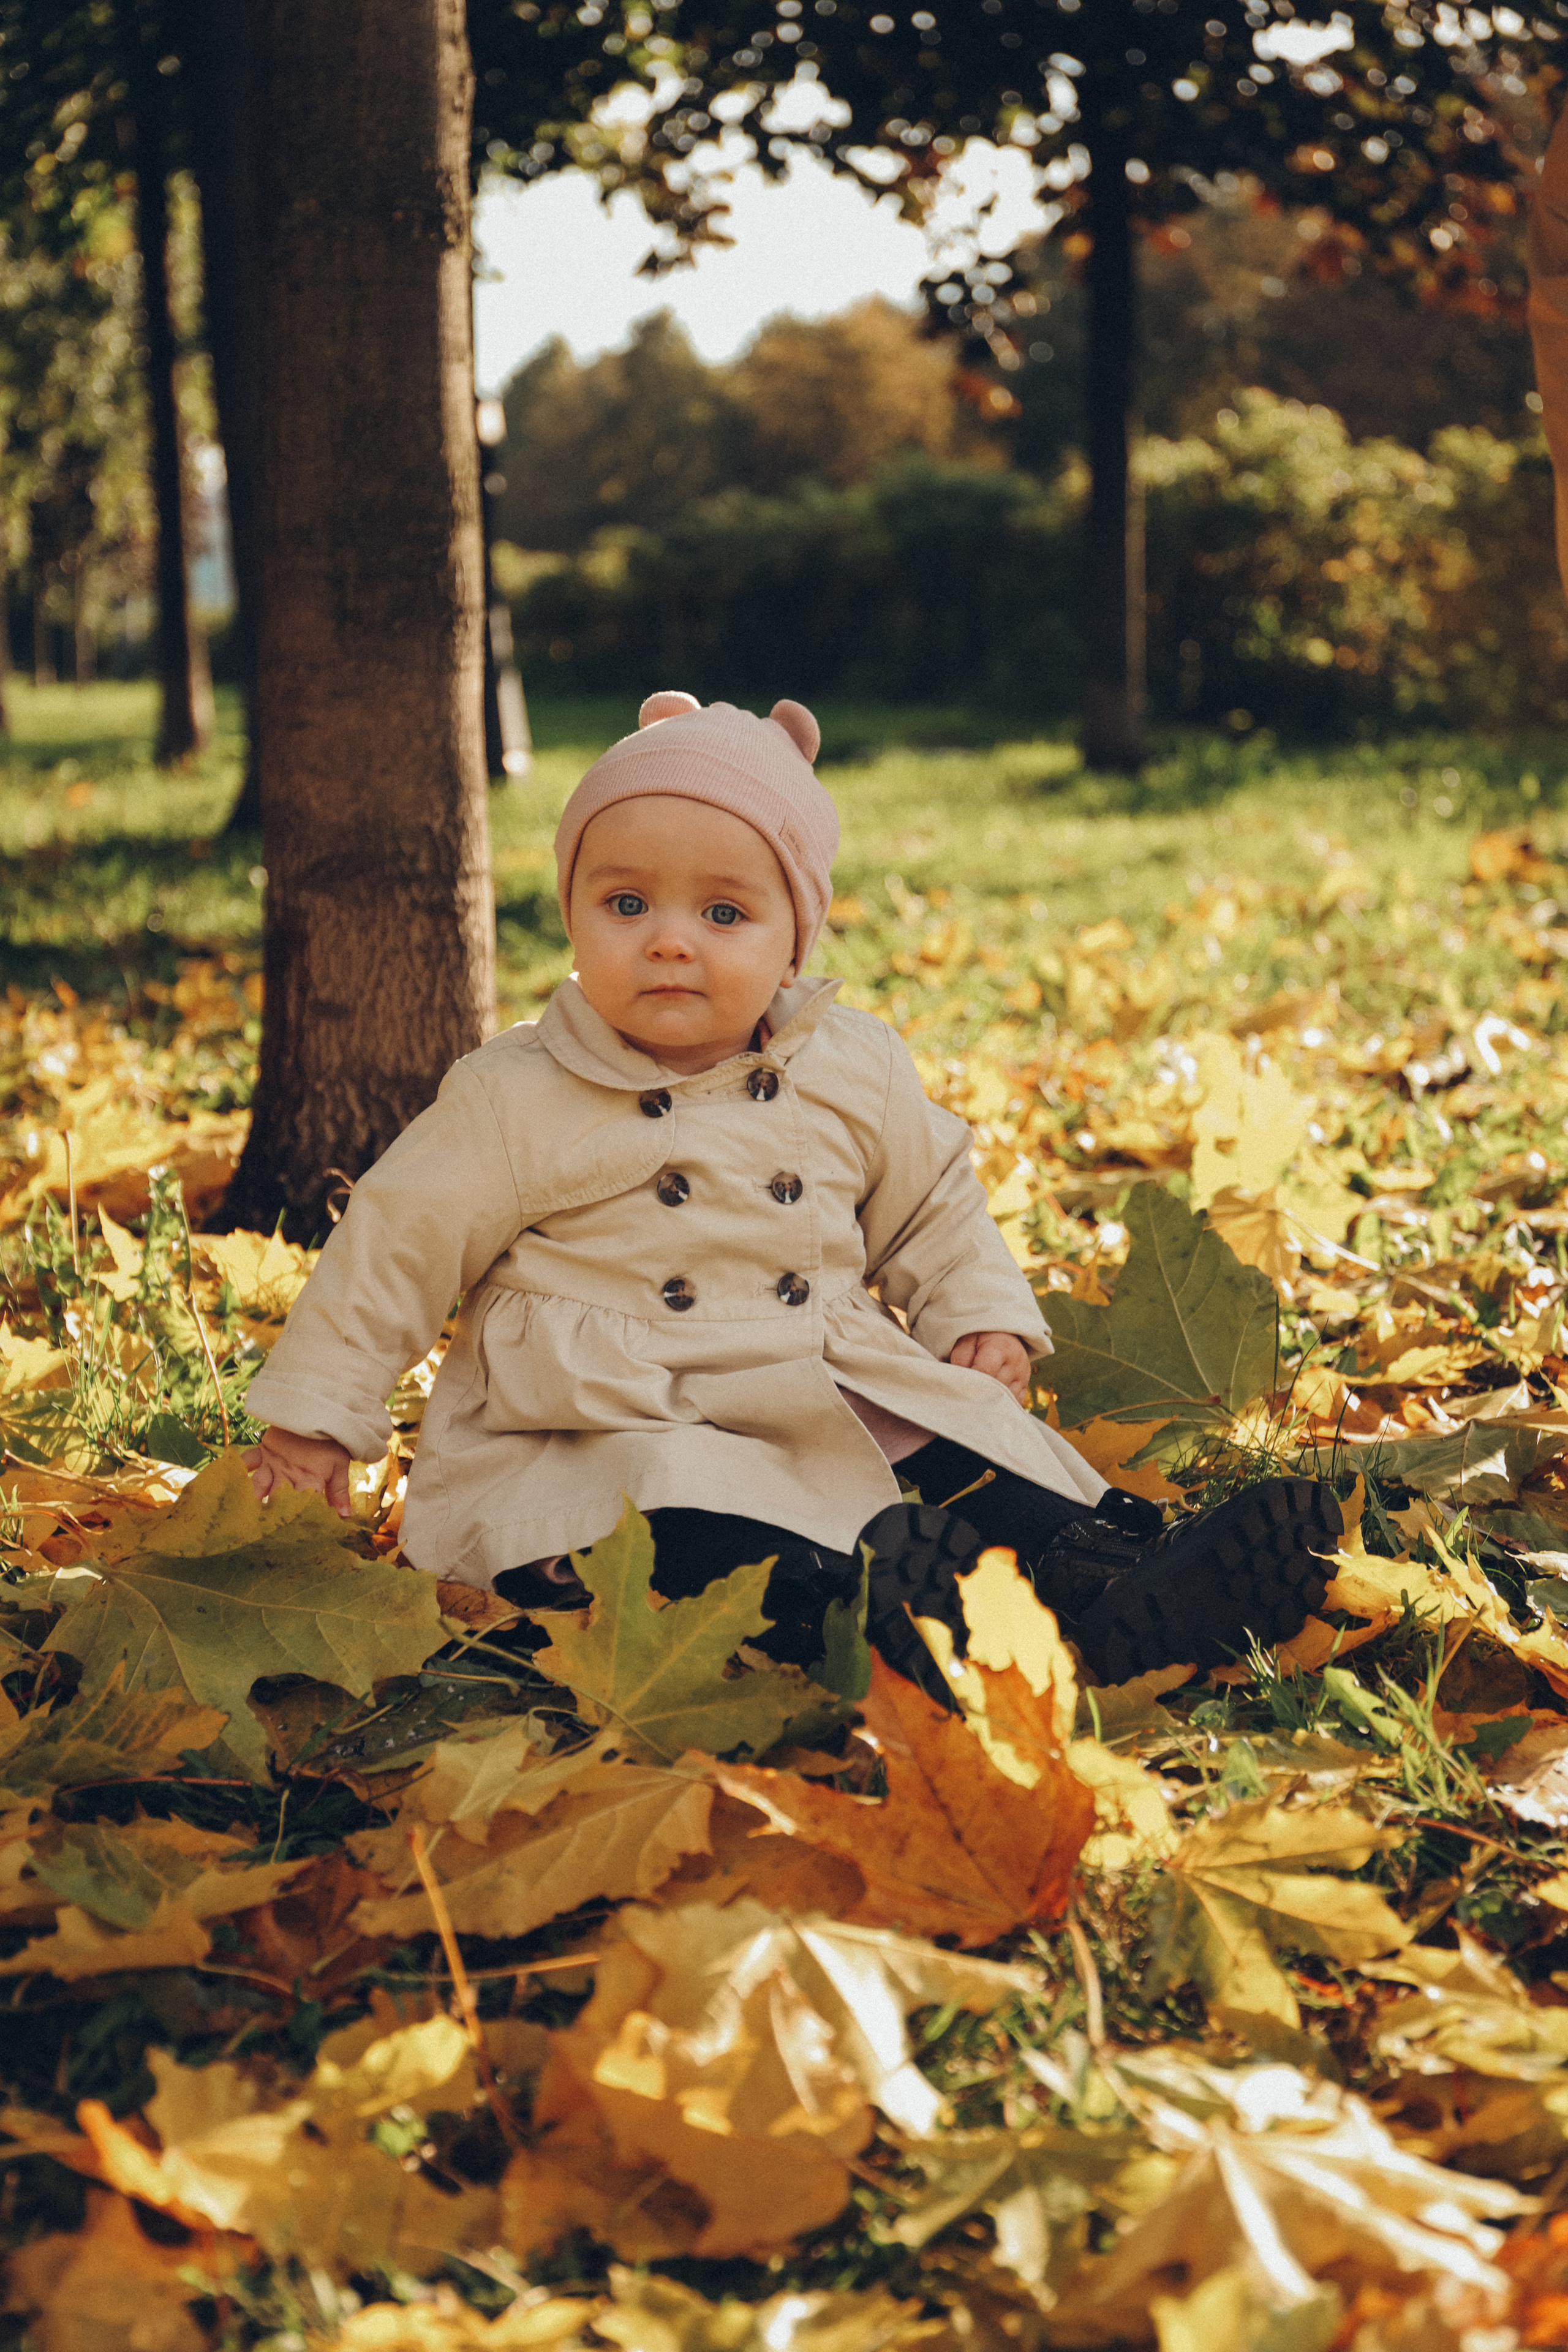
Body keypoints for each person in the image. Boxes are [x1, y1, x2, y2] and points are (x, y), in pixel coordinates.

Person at [246, 692, 1340, 1687]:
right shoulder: (516, 1095)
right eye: (626, 903)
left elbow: (932, 1204)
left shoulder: (851, 1065)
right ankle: (865, 1615)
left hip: (819, 1370)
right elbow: (393, 1242)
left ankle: (1111, 1578)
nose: (670, 942)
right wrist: (314, 1424)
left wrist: (980, 1316)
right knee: (682, 1527)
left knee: (969, 1453)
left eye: (724, 916)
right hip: (612, 1415)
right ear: (573, 914)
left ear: (794, 936)